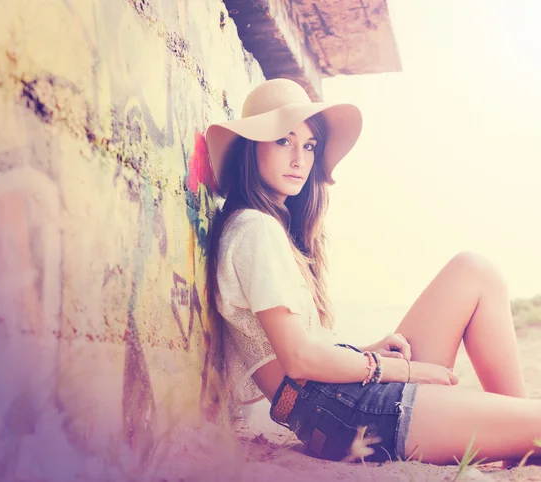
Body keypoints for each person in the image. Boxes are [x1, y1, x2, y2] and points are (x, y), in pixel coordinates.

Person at [205, 78, 541, 466]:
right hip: (348, 417)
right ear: (252, 147)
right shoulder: (254, 229)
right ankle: (523, 440)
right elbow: (298, 361)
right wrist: (405, 370)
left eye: (309, 145)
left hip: (341, 403)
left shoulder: (262, 227)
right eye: (284, 141)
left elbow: (300, 354)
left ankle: (521, 445)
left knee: (475, 271)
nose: (299, 158)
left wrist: (365, 353)